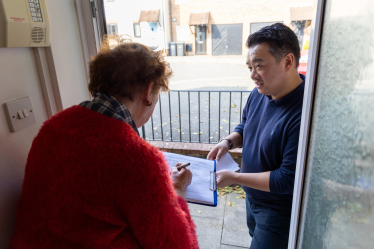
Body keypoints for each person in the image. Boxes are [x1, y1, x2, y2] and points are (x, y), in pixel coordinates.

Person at [8, 36, 199, 249]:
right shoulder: (137, 159)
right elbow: (179, 245)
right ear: (149, 92)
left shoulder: (53, 128)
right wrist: (176, 189)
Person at [207, 23, 305, 249]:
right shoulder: (259, 92)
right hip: (252, 199)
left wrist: (235, 178)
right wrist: (228, 141)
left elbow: (286, 179)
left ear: (288, 61)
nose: (253, 75)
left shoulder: (304, 113)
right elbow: (245, 125)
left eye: (259, 66)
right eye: (249, 66)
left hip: (277, 211)